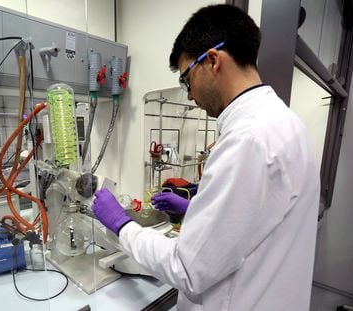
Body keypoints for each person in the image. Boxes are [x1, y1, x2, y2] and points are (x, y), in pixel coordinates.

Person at [93, 4, 319, 310]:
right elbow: (254, 219)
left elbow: (186, 269)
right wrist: (196, 208)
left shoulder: (247, 141)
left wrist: (122, 225)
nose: (189, 94)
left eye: (187, 79)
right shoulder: (284, 122)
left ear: (213, 60)